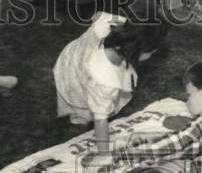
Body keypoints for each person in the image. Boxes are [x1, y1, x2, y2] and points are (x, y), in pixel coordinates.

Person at [53, 11, 165, 152]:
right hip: (75, 68)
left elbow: (98, 15)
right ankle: (79, 115)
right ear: (137, 50)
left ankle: (79, 114)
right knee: (86, 101)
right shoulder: (106, 79)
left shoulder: (118, 26)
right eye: (152, 52)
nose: (152, 55)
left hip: (73, 55)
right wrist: (103, 153)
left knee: (88, 94)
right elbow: (100, 120)